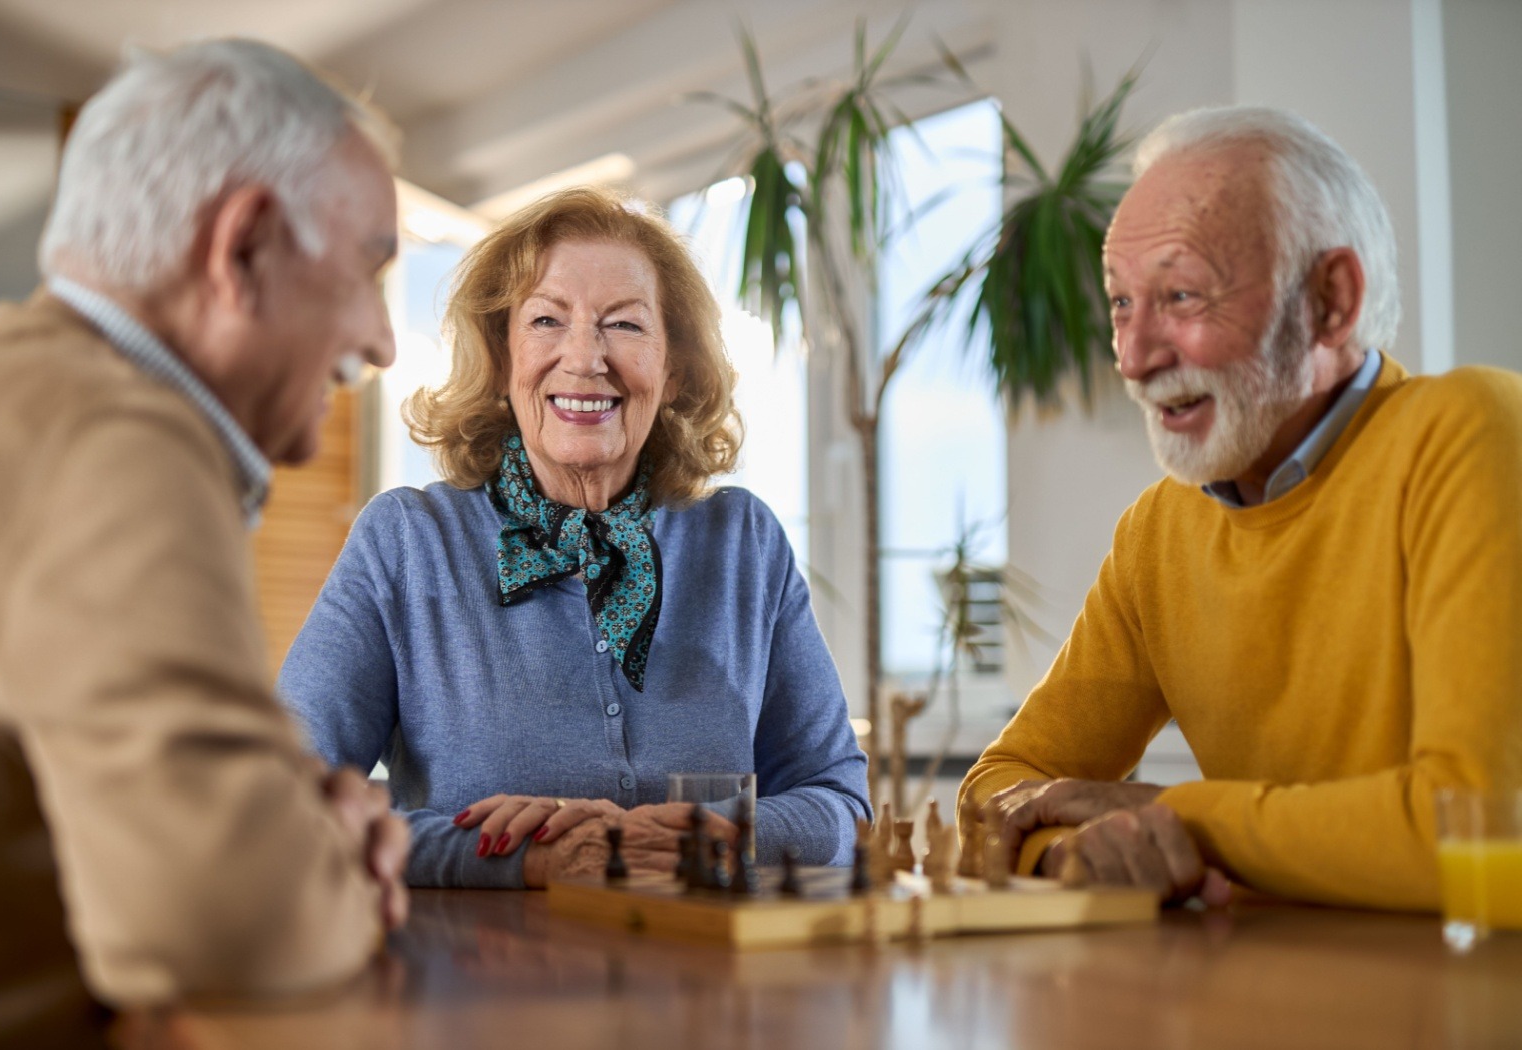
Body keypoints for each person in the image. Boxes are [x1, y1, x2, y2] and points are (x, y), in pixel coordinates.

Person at [0, 40, 410, 1048]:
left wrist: (293, 827)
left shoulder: (3, 383)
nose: (382, 340)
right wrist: (328, 865)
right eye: (371, 269)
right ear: (242, 248)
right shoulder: (114, 439)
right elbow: (234, 919)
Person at [958, 106, 1522, 912]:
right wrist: (1070, 845)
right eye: (1121, 303)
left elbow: (1481, 832)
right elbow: (1002, 785)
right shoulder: (1159, 530)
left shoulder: (1473, 430)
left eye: (1181, 294)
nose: (1134, 356)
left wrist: (1176, 817)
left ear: (1331, 300)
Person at [279, 186, 870, 889]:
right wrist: (522, 859)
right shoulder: (406, 541)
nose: (585, 357)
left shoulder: (744, 543)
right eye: (547, 320)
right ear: (502, 359)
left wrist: (719, 835)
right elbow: (286, 805)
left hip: (709, 986)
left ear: (673, 371)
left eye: (624, 325)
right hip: (475, 987)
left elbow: (841, 804)